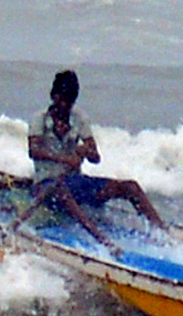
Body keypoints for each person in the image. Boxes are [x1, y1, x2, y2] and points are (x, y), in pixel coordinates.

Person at [28, 70, 167, 253]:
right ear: (53, 97)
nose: (65, 106)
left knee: (130, 187)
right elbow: (34, 151)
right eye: (61, 100)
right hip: (46, 185)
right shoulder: (39, 119)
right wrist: (64, 159)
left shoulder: (79, 119)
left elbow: (96, 157)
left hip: (75, 182)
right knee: (61, 190)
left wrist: (85, 151)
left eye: (69, 102)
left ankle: (163, 236)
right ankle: (105, 242)